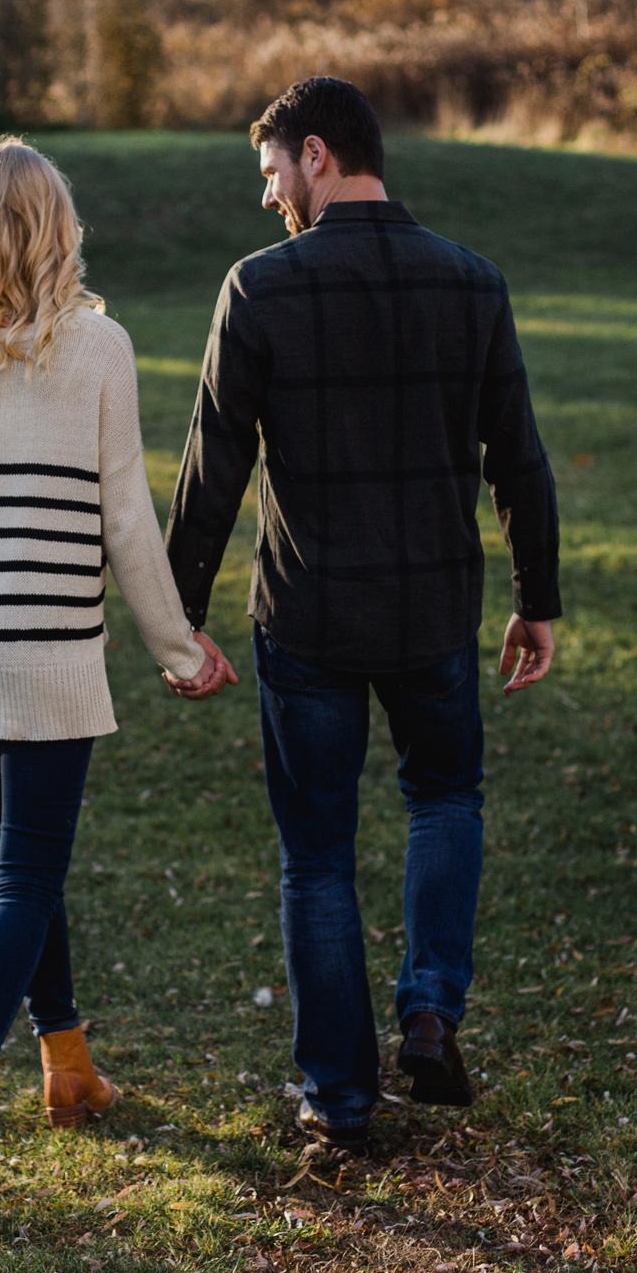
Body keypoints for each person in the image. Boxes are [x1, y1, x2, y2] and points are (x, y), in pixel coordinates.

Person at [164, 77, 561, 1153]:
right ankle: (429, 1012)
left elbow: (212, 466)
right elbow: (519, 458)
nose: (269, 197)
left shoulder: (259, 288)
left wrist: (178, 616)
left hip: (308, 619)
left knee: (317, 857)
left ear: (319, 156)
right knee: (445, 798)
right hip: (436, 612)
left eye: (272, 172)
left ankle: (338, 1098)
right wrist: (535, 600)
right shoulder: (472, 282)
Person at [0, 138, 239, 1218]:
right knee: (25, 876)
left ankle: (69, 1066)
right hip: (49, 655)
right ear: (60, 230)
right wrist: (179, 649)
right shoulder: (100, 348)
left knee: (26, 861)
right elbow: (127, 518)